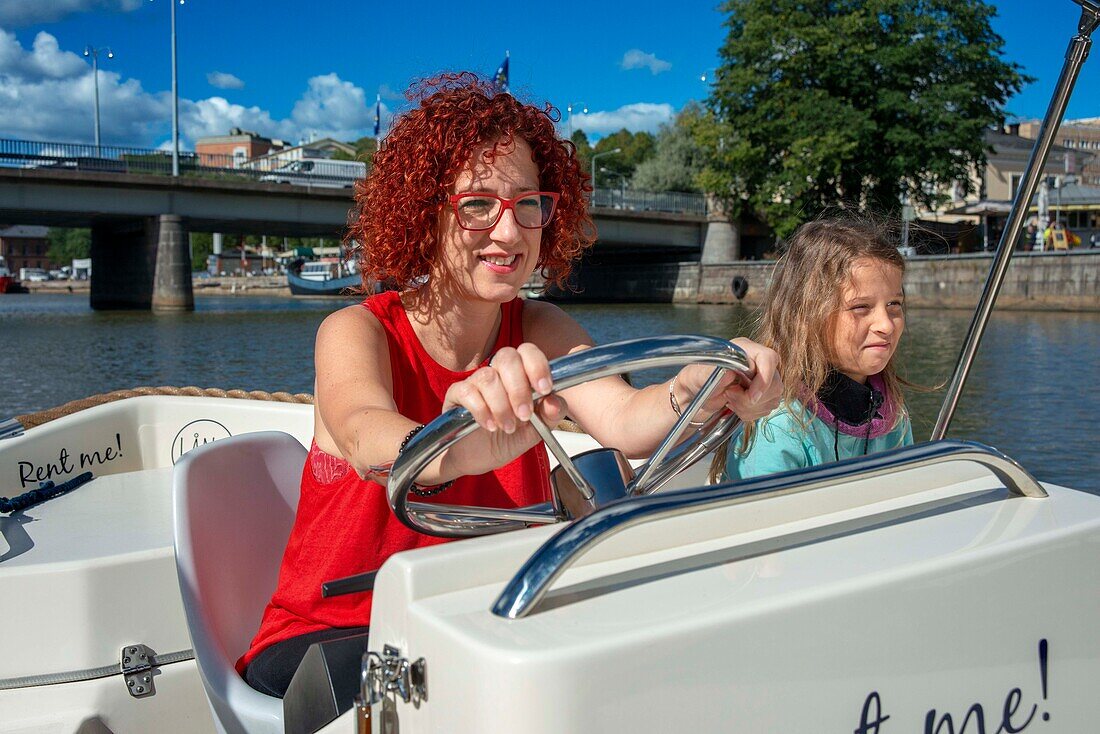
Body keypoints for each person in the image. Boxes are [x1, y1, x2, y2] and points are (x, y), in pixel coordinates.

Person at [238, 73, 783, 698]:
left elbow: (628, 420)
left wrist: (698, 388)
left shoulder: (542, 327)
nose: (508, 231)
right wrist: (461, 444)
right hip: (329, 636)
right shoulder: (356, 331)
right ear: (426, 211)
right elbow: (366, 434)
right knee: (476, 688)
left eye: (528, 203)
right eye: (477, 204)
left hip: (478, 621)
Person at [711, 217, 913, 483]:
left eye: (894, 304)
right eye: (860, 307)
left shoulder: (892, 415)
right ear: (807, 316)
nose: (886, 325)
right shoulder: (778, 427)